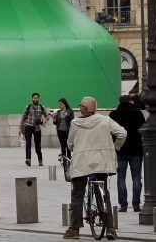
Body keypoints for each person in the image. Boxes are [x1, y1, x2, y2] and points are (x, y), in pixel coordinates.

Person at [63, 96, 126, 240]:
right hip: (101, 163)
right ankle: (110, 229)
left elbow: (70, 144)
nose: (79, 108)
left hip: (82, 163)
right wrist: (115, 148)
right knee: (103, 194)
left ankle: (74, 229)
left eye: (80, 106)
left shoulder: (75, 123)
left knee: (77, 194)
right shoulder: (105, 120)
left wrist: (75, 147)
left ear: (85, 109)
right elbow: (122, 133)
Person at [109, 95, 145, 213]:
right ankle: (136, 205)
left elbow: (110, 133)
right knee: (136, 177)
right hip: (136, 150)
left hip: (120, 150)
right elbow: (144, 130)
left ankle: (123, 205)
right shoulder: (138, 113)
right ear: (130, 102)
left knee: (121, 177)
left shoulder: (113, 115)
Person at [19, 92, 47, 166]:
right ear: (32, 98)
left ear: (38, 98)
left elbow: (47, 116)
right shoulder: (28, 107)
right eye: (34, 98)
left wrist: (44, 121)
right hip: (28, 127)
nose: (35, 99)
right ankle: (28, 159)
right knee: (28, 144)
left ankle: (40, 160)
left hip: (37, 128)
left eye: (37, 98)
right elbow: (23, 117)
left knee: (38, 145)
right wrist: (20, 128)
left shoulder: (41, 107)